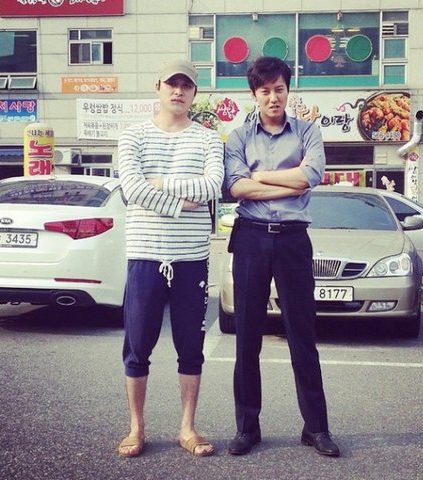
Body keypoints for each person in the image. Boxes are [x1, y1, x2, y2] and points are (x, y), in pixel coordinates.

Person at [224, 56, 340, 457]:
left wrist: (260, 176)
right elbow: (237, 188)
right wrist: (289, 184)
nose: (273, 97)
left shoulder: (308, 131)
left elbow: (311, 176)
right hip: (251, 238)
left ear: (288, 91)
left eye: (280, 89)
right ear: (254, 95)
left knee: (302, 335)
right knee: (246, 337)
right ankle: (247, 428)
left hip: (293, 240)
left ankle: (316, 428)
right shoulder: (239, 137)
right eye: (265, 91)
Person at [117, 59, 224, 458]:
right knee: (137, 346)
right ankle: (136, 427)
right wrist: (183, 204)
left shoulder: (208, 139)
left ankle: (187, 428)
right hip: (145, 254)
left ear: (194, 93)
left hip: (191, 258)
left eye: (187, 85)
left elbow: (212, 185)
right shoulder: (134, 136)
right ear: (158, 86)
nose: (178, 91)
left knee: (191, 347)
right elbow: (132, 188)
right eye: (172, 84)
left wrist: (161, 182)